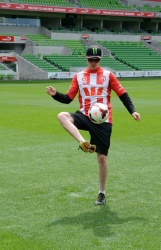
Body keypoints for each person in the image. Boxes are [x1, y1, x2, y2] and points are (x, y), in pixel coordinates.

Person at [46, 46, 140, 205]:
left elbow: (122, 94)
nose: (94, 62)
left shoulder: (108, 75)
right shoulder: (79, 76)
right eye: (91, 60)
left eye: (96, 60)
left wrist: (132, 111)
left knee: (102, 157)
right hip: (85, 115)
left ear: (100, 60)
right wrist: (56, 95)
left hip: (103, 119)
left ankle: (102, 193)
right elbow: (69, 98)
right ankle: (83, 142)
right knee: (62, 116)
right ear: (86, 58)